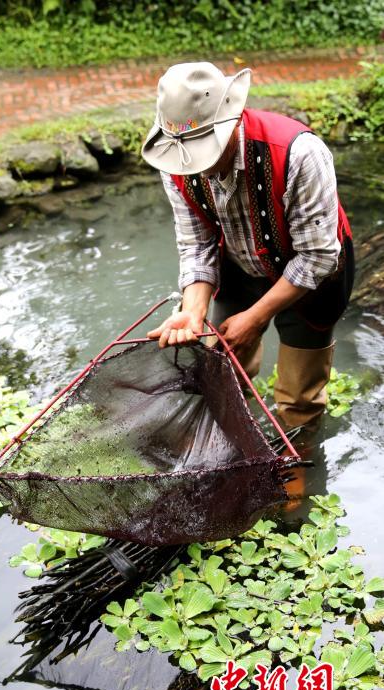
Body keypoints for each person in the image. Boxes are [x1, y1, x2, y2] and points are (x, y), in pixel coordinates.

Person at [142, 62, 354, 428]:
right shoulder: (174, 157)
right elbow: (196, 244)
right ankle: (237, 438)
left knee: (299, 398)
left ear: (234, 120)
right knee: (224, 370)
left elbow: (318, 257)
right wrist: (194, 311)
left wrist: (256, 319)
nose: (194, 168)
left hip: (314, 272)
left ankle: (297, 470)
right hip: (239, 262)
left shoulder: (299, 153)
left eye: (205, 149)